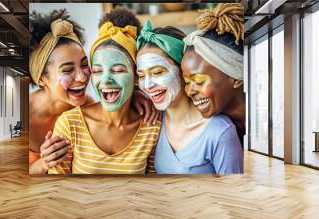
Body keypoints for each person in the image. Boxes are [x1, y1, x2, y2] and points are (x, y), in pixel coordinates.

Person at [29, 10, 159, 174]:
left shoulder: (87, 103)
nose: (83, 77)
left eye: (85, 65)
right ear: (41, 79)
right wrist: (43, 163)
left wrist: (135, 92)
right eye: (68, 70)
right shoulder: (24, 115)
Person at [136, 20, 243, 174]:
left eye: (158, 72)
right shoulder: (153, 121)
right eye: (141, 75)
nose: (147, 85)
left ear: (182, 70)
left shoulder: (220, 132)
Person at [181, 3, 246, 146]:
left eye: (198, 81)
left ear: (235, 78)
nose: (189, 91)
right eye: (186, 82)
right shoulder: (216, 125)